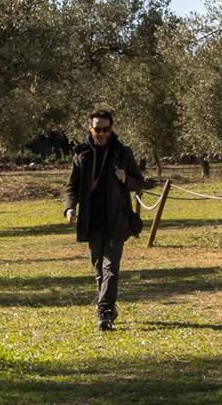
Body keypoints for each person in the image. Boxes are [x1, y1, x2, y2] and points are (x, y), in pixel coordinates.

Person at [61, 108, 146, 330]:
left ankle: (105, 312)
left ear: (111, 129)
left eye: (106, 129)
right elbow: (71, 186)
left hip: (116, 219)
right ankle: (107, 306)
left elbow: (139, 182)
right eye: (98, 129)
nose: (101, 134)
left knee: (111, 267)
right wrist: (70, 208)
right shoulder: (81, 154)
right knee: (98, 266)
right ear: (90, 128)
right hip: (92, 220)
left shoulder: (122, 153)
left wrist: (126, 178)